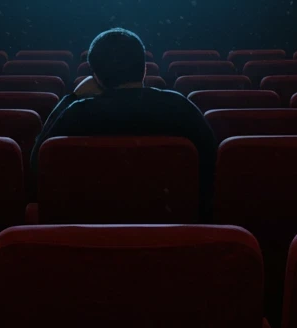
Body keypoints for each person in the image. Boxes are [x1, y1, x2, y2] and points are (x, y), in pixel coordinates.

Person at [29, 27, 217, 212]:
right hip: (175, 223)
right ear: (144, 69)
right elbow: (212, 169)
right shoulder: (179, 108)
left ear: (95, 76)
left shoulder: (75, 114)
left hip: (88, 222)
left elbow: (38, 169)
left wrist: (72, 97)